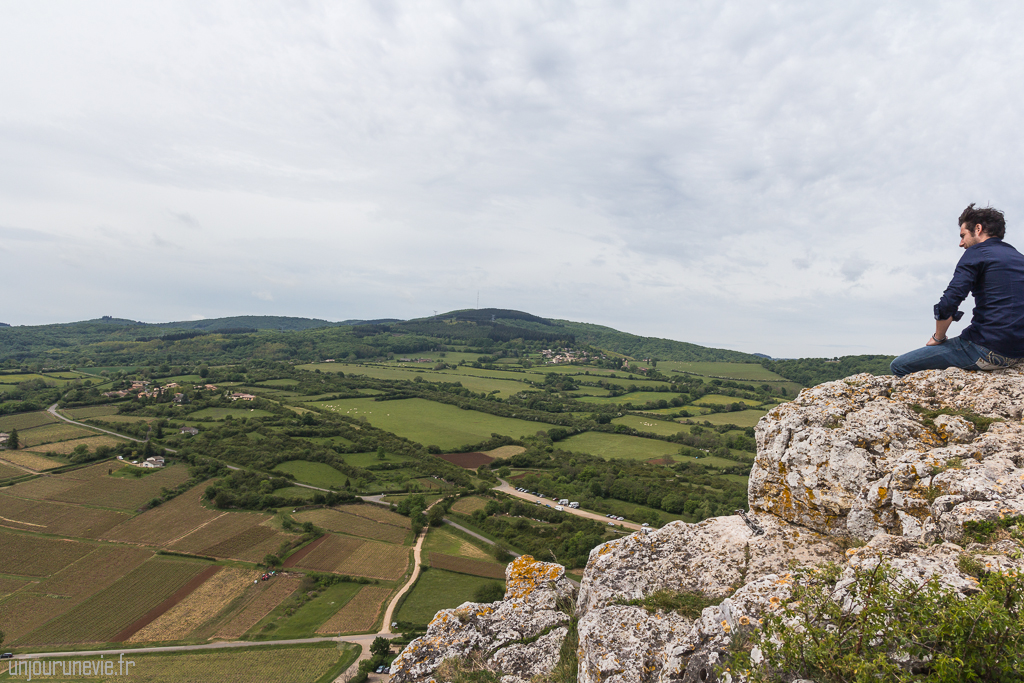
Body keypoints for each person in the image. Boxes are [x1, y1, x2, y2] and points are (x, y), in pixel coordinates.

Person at [890, 203, 1024, 377]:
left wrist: (939, 337)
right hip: (1018, 352)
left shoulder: (977, 252)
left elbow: (949, 301)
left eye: (963, 236)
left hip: (987, 349)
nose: (961, 243)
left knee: (899, 366)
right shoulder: (1019, 258)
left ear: (978, 228)